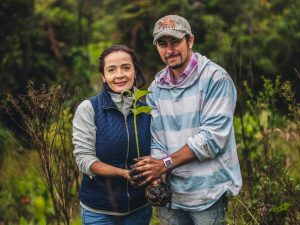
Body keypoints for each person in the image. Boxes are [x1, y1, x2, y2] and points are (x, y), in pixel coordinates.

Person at [132, 15, 242, 225]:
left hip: (208, 194)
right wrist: (156, 176)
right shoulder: (156, 87)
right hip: (172, 197)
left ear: (190, 41)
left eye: (175, 42)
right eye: (163, 44)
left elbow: (212, 139)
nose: (169, 50)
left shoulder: (215, 79)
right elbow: (157, 138)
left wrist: (163, 164)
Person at [72, 45, 152, 225]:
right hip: (100, 209)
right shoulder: (90, 108)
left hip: (139, 207)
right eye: (111, 69)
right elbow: (84, 160)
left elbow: (156, 151)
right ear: (103, 76)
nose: (120, 75)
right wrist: (123, 173)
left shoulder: (147, 110)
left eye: (126, 67)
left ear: (135, 71)